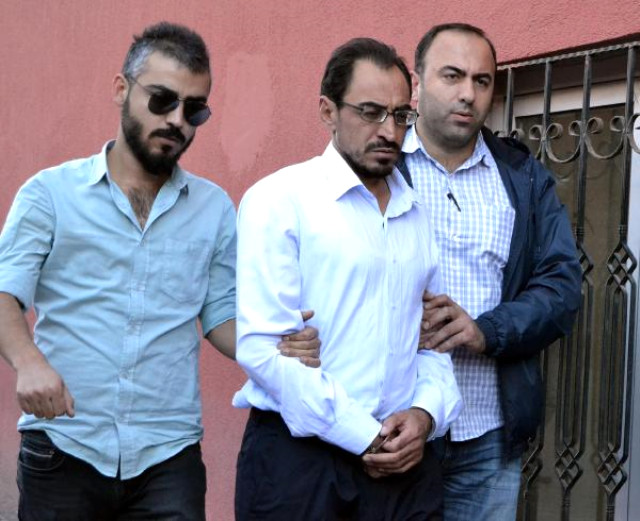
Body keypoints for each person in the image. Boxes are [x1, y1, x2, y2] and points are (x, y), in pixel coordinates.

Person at [0, 22, 318, 520]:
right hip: (65, 445)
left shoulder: (213, 208)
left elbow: (219, 316)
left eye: (194, 109)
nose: (176, 120)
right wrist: (29, 363)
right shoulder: (50, 195)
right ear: (121, 89)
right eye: (162, 100)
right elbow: (5, 292)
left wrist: (276, 343)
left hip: (168, 457)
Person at [232, 37, 462, 521]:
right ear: (328, 111)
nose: (389, 131)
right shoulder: (280, 200)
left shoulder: (415, 214)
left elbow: (431, 342)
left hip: (404, 466)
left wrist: (424, 415)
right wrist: (365, 435)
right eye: (371, 112)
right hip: (301, 466)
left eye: (401, 115)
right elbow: (262, 350)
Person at [397, 22, 582, 520]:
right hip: (395, 425)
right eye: (452, 76)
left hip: (489, 434)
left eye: (482, 80)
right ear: (416, 83)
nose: (468, 93)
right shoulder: (381, 169)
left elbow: (562, 286)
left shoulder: (523, 176)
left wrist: (486, 331)